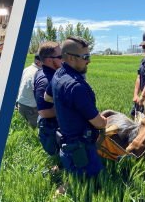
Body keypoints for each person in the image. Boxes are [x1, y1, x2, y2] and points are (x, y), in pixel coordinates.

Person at [51, 36, 106, 178]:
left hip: (67, 146)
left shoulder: (58, 75)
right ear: (71, 58)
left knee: (76, 186)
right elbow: (98, 123)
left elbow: (47, 97)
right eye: (85, 56)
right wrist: (104, 121)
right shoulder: (76, 87)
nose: (89, 60)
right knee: (94, 190)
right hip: (81, 151)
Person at [34, 42, 62, 159]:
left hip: (53, 127)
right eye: (60, 57)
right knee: (58, 161)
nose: (64, 60)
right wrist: (68, 108)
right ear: (49, 60)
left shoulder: (48, 73)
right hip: (51, 130)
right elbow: (44, 112)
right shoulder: (46, 80)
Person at [18, 56, 41, 128]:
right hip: (31, 108)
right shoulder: (37, 73)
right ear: (38, 62)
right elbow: (40, 95)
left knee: (28, 128)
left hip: (21, 104)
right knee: (35, 130)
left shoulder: (27, 69)